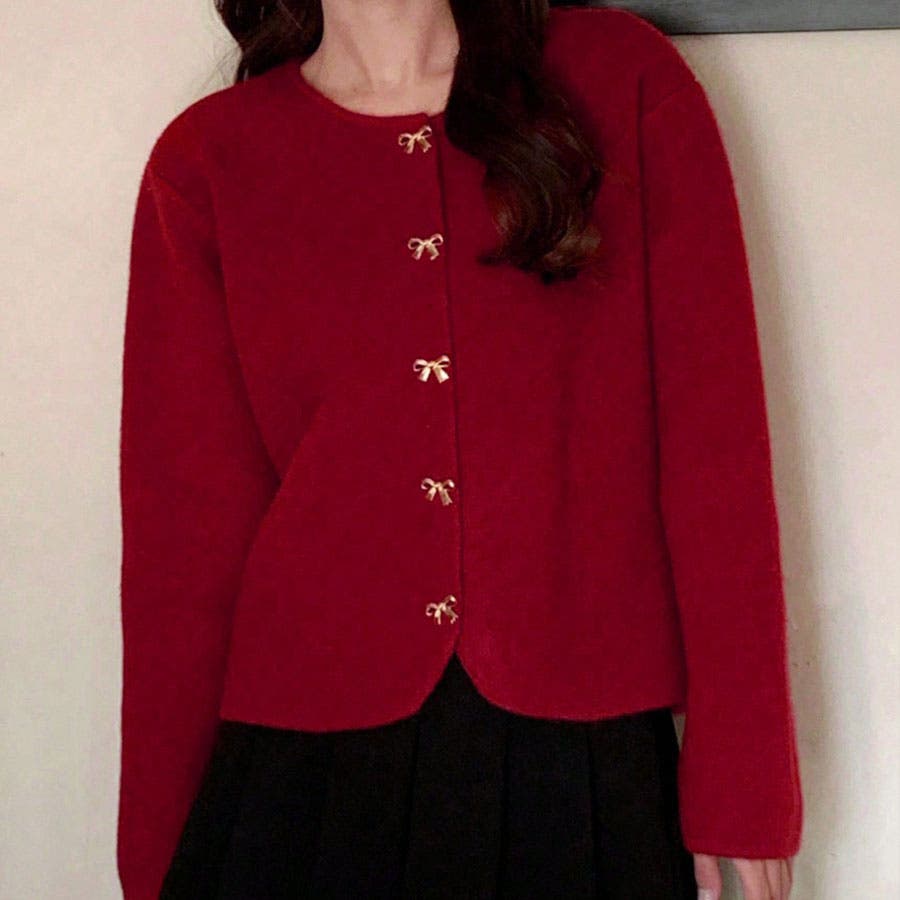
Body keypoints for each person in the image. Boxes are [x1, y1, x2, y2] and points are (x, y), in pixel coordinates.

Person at [116, 2, 804, 898]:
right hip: (300, 788)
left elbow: (717, 457)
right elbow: (182, 551)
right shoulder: (208, 161)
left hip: (582, 774)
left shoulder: (621, 82)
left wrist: (744, 783)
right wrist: (157, 861)